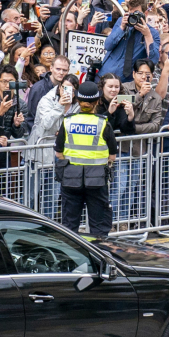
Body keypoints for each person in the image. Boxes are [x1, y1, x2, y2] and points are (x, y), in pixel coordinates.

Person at [54, 81, 117, 239]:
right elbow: (112, 156)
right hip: (97, 181)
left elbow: (58, 153)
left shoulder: (67, 122)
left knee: (70, 226)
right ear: (97, 101)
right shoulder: (103, 123)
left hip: (71, 179)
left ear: (78, 101)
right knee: (99, 227)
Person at [100, 0, 159, 82]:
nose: (133, 16)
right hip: (105, 75)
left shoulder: (153, 33)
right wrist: (121, 28)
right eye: (130, 13)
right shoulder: (121, 22)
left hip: (126, 82)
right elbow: (107, 46)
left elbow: (153, 59)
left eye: (136, 13)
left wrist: (147, 35)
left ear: (145, 13)